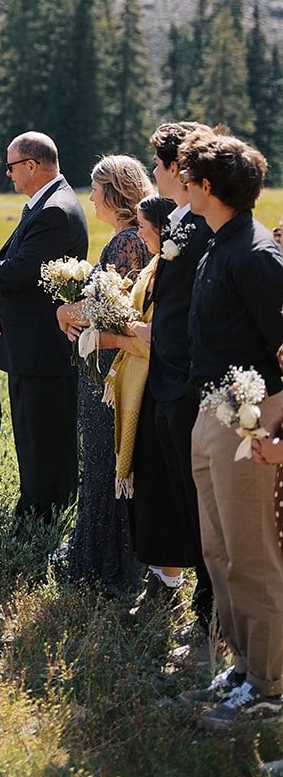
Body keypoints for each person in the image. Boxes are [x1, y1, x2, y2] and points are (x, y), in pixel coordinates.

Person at [178, 129, 283, 730]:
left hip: (245, 424)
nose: (182, 186)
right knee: (219, 552)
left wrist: (270, 422)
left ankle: (269, 688)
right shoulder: (220, 244)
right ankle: (244, 669)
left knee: (253, 556)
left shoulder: (257, 255)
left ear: (208, 187)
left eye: (188, 179)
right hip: (208, 413)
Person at [0, 131, 89, 521]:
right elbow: (24, 264)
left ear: (32, 166)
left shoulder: (54, 210)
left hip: (43, 346)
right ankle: (36, 505)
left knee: (44, 435)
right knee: (34, 432)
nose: (9, 175)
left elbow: (21, 269)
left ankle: (43, 513)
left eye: (12, 166)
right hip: (31, 343)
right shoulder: (47, 202)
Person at [53, 155, 151, 593]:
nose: (90, 197)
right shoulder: (127, 237)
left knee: (104, 460)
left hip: (113, 368)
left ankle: (107, 562)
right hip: (105, 363)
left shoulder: (128, 241)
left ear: (113, 191)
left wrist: (65, 309)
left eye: (94, 189)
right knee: (98, 461)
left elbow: (117, 308)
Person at [143, 120, 214, 629]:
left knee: (202, 498)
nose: (153, 173)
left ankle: (210, 606)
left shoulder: (202, 227)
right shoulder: (180, 221)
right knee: (177, 491)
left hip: (186, 378)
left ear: (177, 169)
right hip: (165, 375)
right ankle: (179, 582)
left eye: (158, 165)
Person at [115, 194, 189, 609]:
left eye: (144, 227)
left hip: (160, 383)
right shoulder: (155, 262)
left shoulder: (173, 266)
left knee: (162, 488)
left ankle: (170, 583)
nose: (140, 236)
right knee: (148, 486)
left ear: (161, 228)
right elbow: (138, 315)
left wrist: (122, 332)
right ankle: (159, 576)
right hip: (145, 385)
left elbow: (155, 331)